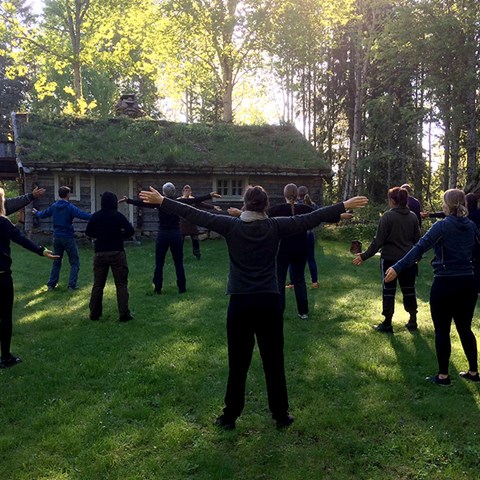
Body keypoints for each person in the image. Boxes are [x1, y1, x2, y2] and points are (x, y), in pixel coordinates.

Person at [139, 184, 368, 429]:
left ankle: (229, 417)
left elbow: (195, 214)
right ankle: (280, 415)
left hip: (240, 303)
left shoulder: (232, 226)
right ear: (266, 204)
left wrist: (163, 201)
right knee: (274, 360)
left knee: (238, 362)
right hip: (269, 301)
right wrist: (343, 205)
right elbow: (311, 218)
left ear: (245, 204)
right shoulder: (276, 226)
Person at [385, 189, 479, 386]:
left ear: (447, 205)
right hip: (468, 283)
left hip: (445, 283)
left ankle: (443, 376)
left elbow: (419, 247)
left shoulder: (442, 226)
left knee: (442, 330)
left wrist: (397, 266)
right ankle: (473, 372)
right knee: (465, 328)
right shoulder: (471, 226)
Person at [124, 183, 221, 294]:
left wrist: (128, 200)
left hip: (163, 235)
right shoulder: (178, 202)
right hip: (175, 234)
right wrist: (209, 195)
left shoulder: (159, 203)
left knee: (159, 263)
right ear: (174, 192)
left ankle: (158, 288)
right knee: (178, 262)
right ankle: (182, 288)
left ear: (164, 193)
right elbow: (193, 200)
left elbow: (143, 203)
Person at [0, 187, 58, 368]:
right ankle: (6, 357)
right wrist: (42, 251)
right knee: (5, 318)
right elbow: (22, 239)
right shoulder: (3, 223)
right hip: (1, 278)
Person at [353, 186, 420, 332]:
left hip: (390, 260)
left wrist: (364, 256)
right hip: (408, 261)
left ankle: (387, 323)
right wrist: (417, 257)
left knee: (389, 291)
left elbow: (378, 241)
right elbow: (418, 241)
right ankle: (413, 320)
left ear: (392, 200)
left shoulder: (387, 217)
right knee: (409, 290)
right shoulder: (413, 217)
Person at [85, 192, 135, 322]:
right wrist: (120, 236)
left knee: (98, 284)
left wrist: (100, 235)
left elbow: (88, 232)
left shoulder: (96, 216)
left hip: (100, 253)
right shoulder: (118, 216)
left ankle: (94, 313)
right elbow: (130, 230)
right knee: (121, 284)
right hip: (117, 252)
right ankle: (124, 314)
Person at [268, 184, 314, 319]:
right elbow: (321, 214)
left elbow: (259, 216)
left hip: (282, 250)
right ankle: (303, 311)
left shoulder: (277, 210)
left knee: (279, 280)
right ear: (297, 194)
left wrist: (240, 214)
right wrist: (340, 214)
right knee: (299, 279)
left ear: (285, 195)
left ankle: (279, 310)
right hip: (301, 249)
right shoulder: (305, 209)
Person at [33, 186, 92, 291]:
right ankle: (71, 285)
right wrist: (96, 215)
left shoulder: (54, 206)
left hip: (57, 237)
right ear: (67, 195)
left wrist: (36, 212)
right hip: (68, 237)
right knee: (74, 262)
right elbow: (82, 215)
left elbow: (43, 214)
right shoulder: (70, 207)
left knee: (56, 261)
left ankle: (51, 285)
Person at [178, 184, 222, 260]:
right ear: (182, 192)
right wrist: (209, 195)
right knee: (180, 241)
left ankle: (197, 254)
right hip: (183, 223)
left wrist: (213, 207)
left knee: (195, 239)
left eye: (188, 190)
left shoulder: (194, 200)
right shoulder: (179, 200)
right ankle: (178, 255)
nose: (187, 191)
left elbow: (202, 204)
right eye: (186, 190)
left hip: (192, 222)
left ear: (191, 192)